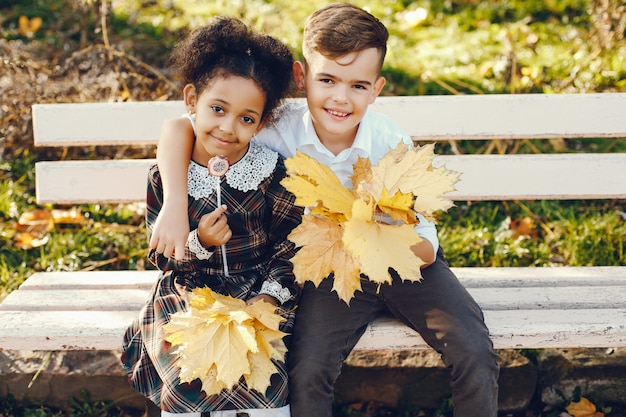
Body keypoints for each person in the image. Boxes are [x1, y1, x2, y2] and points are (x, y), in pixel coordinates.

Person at [151, 3, 500, 417]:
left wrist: (389, 243)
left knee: (475, 352)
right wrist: (173, 202)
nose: (340, 97)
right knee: (308, 367)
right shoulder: (277, 126)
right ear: (302, 78)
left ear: (377, 88)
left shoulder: (388, 139)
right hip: (332, 270)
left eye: (358, 86)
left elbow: (423, 242)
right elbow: (180, 127)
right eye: (327, 79)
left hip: (407, 261)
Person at [120, 16, 304, 417]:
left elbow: (295, 242)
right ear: (192, 100)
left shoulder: (271, 174)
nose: (227, 127)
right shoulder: (166, 176)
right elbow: (162, 257)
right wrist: (198, 242)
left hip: (254, 287)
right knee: (189, 378)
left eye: (246, 118)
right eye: (217, 109)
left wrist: (270, 294)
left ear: (262, 122)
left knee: (264, 382)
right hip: (188, 293)